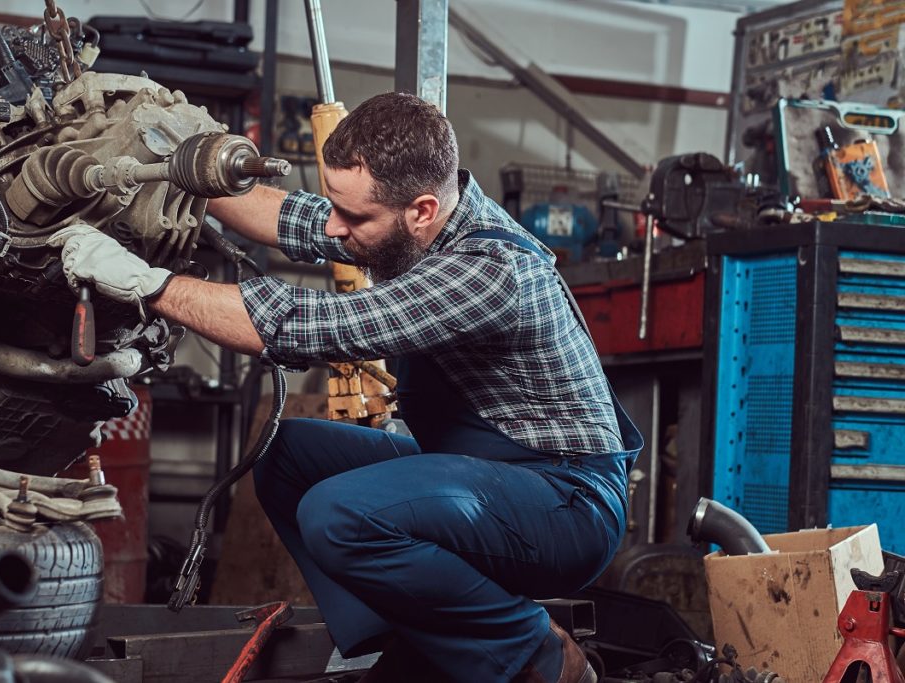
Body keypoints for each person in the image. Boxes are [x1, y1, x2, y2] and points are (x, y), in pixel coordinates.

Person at [51, 91, 641, 683]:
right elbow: (289, 216)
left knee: (340, 515)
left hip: (566, 504)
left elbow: (310, 326)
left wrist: (145, 284)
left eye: (354, 218)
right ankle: (400, 637)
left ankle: (539, 655)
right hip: (487, 469)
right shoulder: (407, 224)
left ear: (422, 210)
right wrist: (185, 171)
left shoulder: (488, 269)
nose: (336, 228)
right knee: (285, 455)